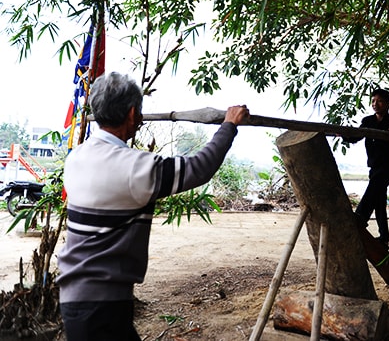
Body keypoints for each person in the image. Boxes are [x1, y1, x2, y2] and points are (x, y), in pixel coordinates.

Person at [56, 72, 250, 341]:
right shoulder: (134, 167)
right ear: (133, 114)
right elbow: (199, 168)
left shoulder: (76, 157)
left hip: (76, 298)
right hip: (102, 305)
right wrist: (229, 125)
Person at [345, 88, 389, 248]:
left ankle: (360, 217)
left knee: (373, 190)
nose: (375, 104)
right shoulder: (368, 121)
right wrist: (344, 135)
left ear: (388, 104)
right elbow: (357, 136)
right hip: (374, 167)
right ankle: (384, 238)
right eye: (373, 101)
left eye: (380, 101)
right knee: (380, 201)